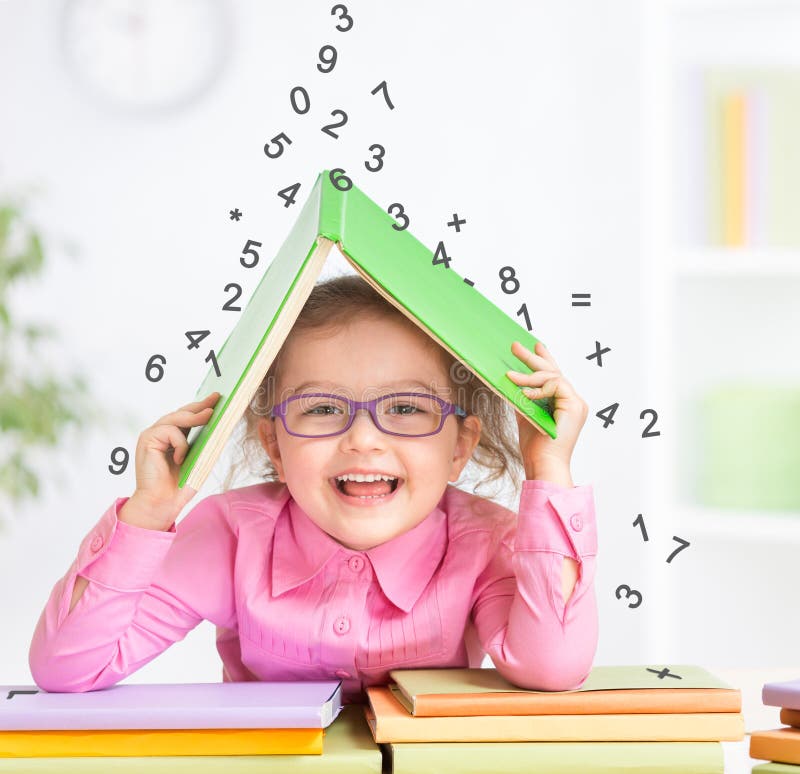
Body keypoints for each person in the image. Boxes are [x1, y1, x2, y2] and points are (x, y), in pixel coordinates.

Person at [29, 274, 598, 701]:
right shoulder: (231, 536)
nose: (364, 440)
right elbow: (68, 669)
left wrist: (548, 465)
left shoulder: (487, 541)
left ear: (459, 447)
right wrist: (147, 514)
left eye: (406, 408)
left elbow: (553, 667)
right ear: (274, 446)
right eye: (323, 408)